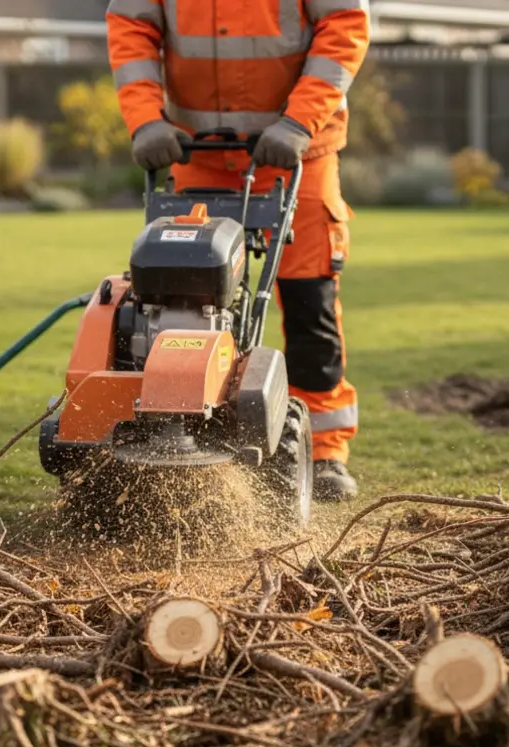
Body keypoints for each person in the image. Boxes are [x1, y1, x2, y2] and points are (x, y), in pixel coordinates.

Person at [106, 0, 370, 501]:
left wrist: (299, 122)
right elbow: (131, 25)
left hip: (297, 152)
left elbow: (345, 25)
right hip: (197, 153)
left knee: (308, 301)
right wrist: (144, 120)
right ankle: (186, 427)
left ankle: (325, 451)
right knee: (179, 299)